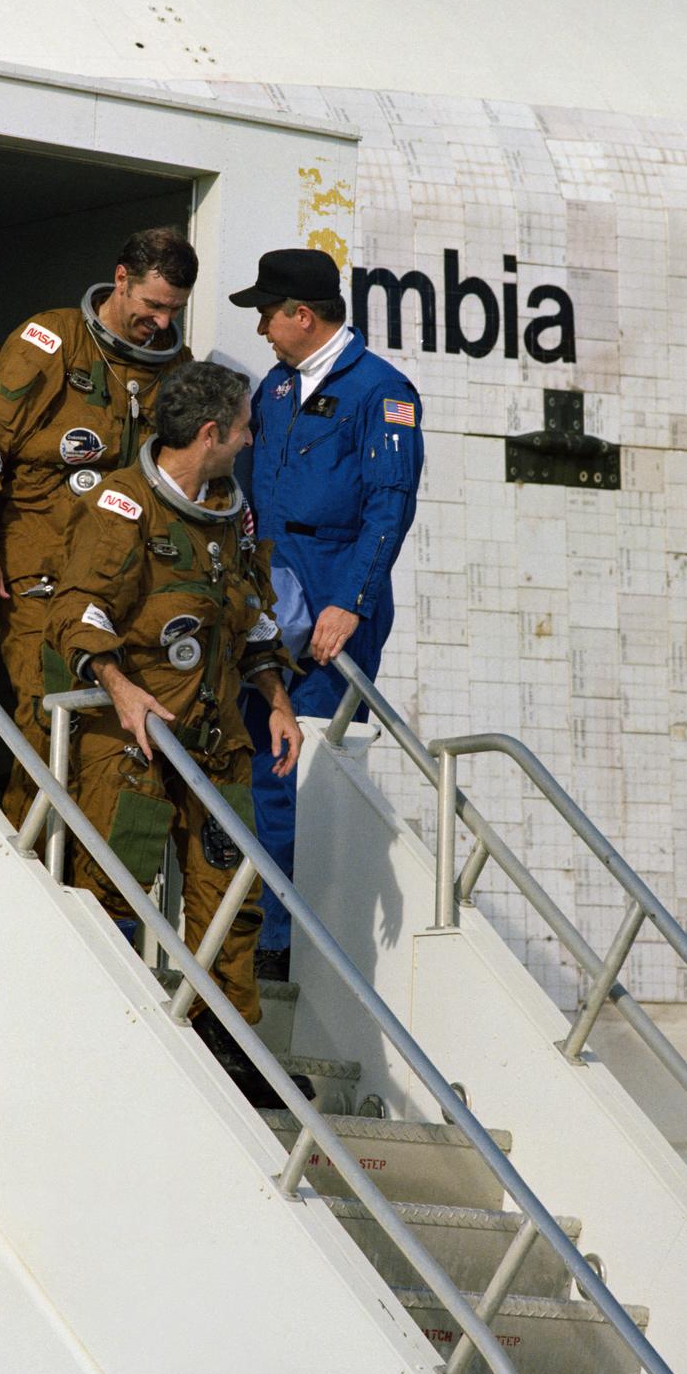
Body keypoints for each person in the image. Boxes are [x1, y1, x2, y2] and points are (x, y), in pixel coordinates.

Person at [48, 361, 303, 1102]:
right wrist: (120, 688)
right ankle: (101, 1036)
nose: (252, 439)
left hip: (216, 740)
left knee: (233, 898)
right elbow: (79, 610)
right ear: (212, 433)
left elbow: (253, 617)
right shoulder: (122, 505)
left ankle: (229, 1044)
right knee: (113, 885)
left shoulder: (230, 512)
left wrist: (276, 700)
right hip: (135, 740)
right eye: (246, 428)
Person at [0, 228, 197, 817]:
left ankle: (87, 874)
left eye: (175, 310)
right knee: (49, 720)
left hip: (121, 586)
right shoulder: (52, 339)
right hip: (40, 573)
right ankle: (23, 858)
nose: (162, 322)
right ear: (121, 279)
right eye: (153, 305)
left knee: (115, 747)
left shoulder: (176, 367)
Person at [230, 248, 424, 971]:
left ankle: (291, 946)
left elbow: (389, 506)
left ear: (302, 315)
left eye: (267, 315)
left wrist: (351, 601)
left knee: (306, 770)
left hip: (333, 589)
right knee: (260, 760)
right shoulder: (278, 387)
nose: (260, 329)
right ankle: (256, 931)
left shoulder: (381, 391)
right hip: (271, 584)